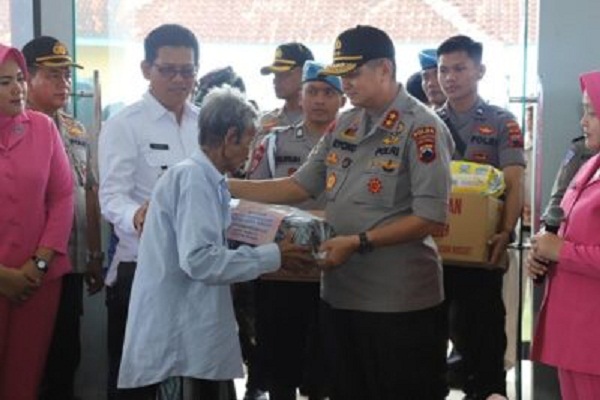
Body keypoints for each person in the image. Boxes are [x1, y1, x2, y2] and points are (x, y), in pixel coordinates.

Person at [230, 25, 453, 400]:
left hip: (397, 304)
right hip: (339, 296)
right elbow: (297, 186)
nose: (345, 85)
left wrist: (360, 241)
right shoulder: (345, 124)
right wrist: (220, 187)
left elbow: (431, 217)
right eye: (341, 76)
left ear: (384, 68)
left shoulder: (423, 128)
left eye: (353, 74)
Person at [117, 85, 311, 400]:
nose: (250, 152)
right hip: (180, 340)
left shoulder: (209, 180)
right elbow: (200, 260)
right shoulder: (194, 180)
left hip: (193, 335)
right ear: (230, 136)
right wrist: (273, 256)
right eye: (248, 141)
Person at [98, 23, 200, 400]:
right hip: (140, 270)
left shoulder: (203, 123)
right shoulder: (125, 124)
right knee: (137, 384)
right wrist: (138, 217)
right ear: (146, 69)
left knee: (189, 377)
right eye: (167, 70)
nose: (179, 79)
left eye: (187, 71)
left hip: (195, 270)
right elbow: (111, 197)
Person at [248, 60, 345, 400]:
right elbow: (254, 198)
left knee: (326, 360)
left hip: (335, 266)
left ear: (342, 99)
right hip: (283, 266)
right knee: (280, 359)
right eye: (313, 92)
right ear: (301, 97)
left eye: (329, 93)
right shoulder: (274, 142)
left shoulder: (352, 144)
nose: (320, 100)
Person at [436, 35, 526, 400]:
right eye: (444, 70)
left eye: (459, 68)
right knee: (427, 344)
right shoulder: (426, 122)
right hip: (434, 252)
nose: (449, 77)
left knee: (485, 342)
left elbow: (515, 181)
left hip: (482, 253)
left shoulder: (501, 122)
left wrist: (507, 231)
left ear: (480, 70)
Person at [21, 35, 104, 400]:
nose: (64, 83)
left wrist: (95, 256)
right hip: (24, 263)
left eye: (66, 76)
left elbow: (88, 192)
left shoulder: (74, 128)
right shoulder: (13, 128)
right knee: (24, 358)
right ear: (28, 78)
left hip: (68, 263)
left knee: (65, 355)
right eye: (53, 75)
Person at [0, 43, 74, 400]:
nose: (18, 89)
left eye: (20, 79)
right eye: (4, 82)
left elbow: (62, 197)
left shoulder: (43, 128)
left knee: (25, 381)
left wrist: (40, 263)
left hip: (37, 282)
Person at [527, 70, 600, 400]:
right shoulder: (590, 163)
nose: (583, 121)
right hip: (572, 334)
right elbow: (565, 223)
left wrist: (561, 251)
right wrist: (542, 248)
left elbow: (569, 247)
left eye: (592, 112)